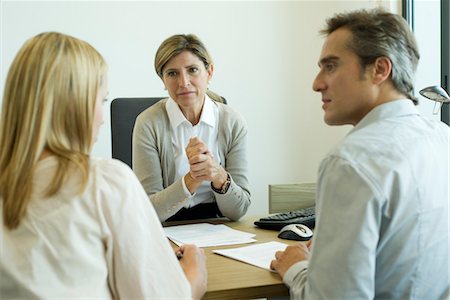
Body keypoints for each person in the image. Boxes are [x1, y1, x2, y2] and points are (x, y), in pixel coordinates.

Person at [0, 32, 207, 299]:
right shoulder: (105, 181)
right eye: (101, 101)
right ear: (77, 106)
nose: (101, 119)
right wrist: (195, 270)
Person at [270, 8, 449, 299]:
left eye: (330, 66)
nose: (317, 83)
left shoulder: (350, 161)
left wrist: (298, 268)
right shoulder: (443, 138)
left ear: (379, 69)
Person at [133, 34, 251, 222]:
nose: (183, 82)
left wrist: (219, 175)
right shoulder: (148, 123)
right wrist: (192, 179)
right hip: (166, 227)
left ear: (209, 72)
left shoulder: (233, 122)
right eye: (172, 73)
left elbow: (239, 211)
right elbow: (148, 212)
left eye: (192, 70)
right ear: (163, 80)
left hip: (218, 225)